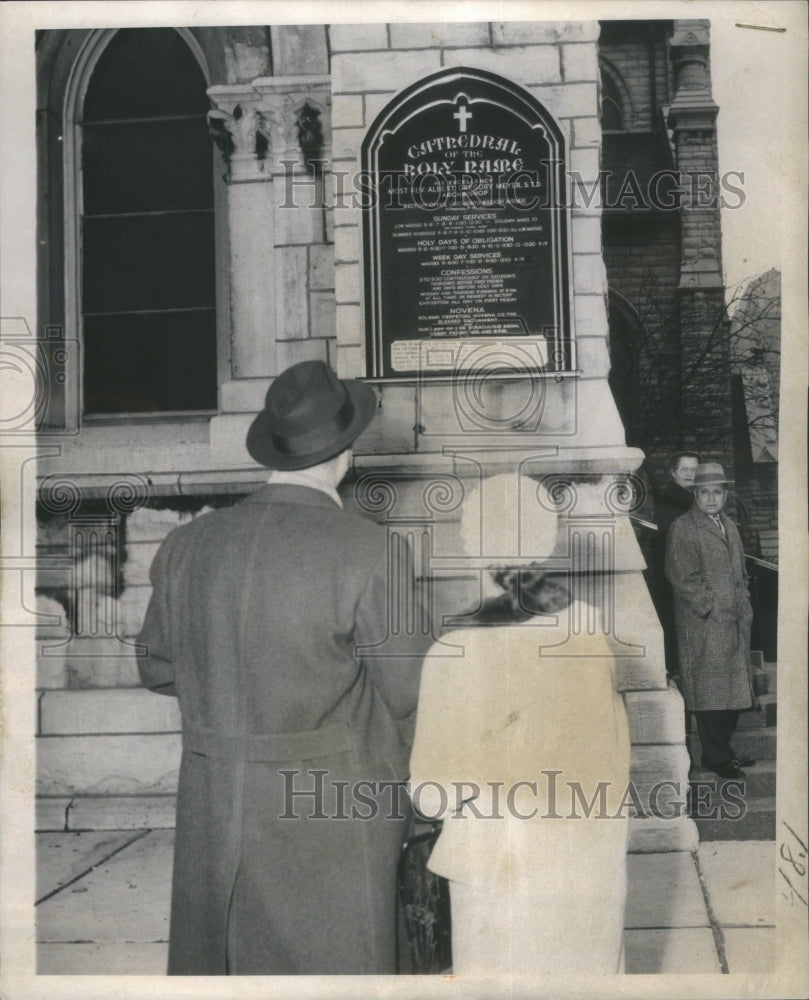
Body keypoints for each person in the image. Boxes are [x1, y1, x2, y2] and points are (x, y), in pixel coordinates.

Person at [137, 360, 428, 974]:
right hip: (332, 809)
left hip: (216, 803)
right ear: (345, 453)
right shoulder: (374, 549)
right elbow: (416, 695)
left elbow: (158, 665)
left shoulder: (186, 545)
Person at [409, 475, 631, 975]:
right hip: (586, 867)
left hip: (497, 876)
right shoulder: (591, 634)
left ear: (470, 549)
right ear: (545, 542)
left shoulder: (454, 655)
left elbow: (431, 794)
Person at [665, 462, 755, 779]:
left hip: (734, 620)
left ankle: (723, 751)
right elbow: (682, 578)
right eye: (705, 492)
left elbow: (739, 571)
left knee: (731, 690)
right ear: (695, 494)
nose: (712, 498)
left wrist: (742, 601)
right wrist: (711, 607)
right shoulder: (684, 528)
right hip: (704, 624)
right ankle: (716, 758)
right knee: (710, 693)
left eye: (717, 492)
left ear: (725, 494)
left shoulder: (728, 524)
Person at [648, 451, 700, 679]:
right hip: (678, 575)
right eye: (684, 470)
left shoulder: (689, 497)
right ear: (673, 473)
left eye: (694, 470)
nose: (690, 474)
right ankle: (681, 669)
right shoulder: (679, 499)